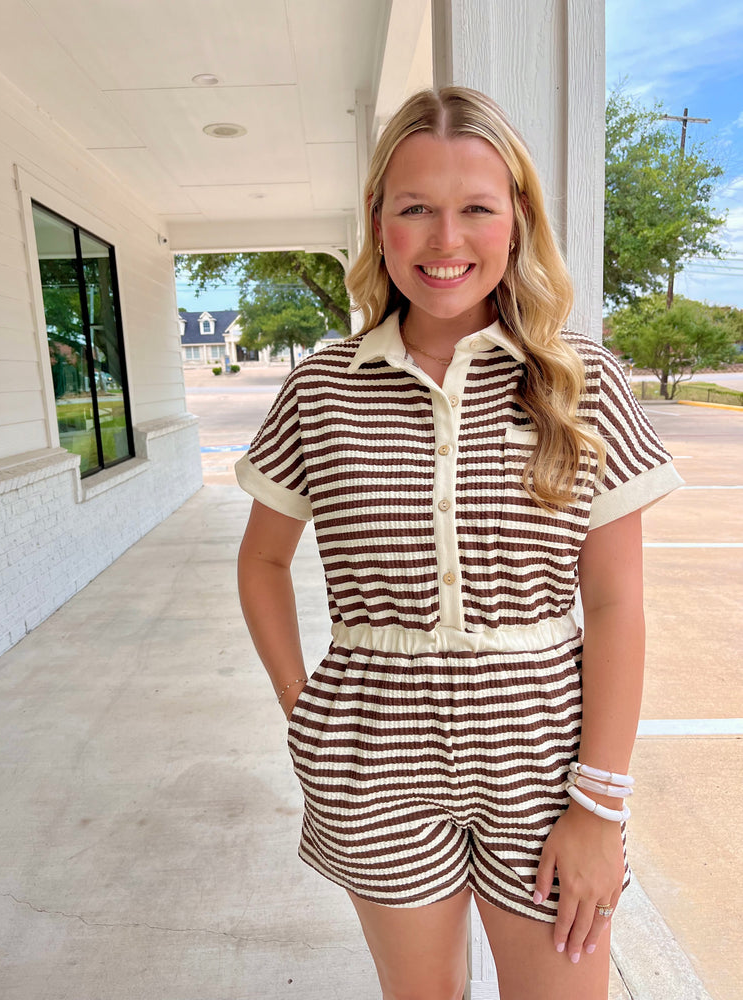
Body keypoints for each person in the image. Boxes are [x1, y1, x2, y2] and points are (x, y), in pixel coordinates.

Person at [236, 87, 682, 1000]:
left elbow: (615, 604)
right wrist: (305, 713)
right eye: (416, 209)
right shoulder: (322, 388)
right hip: (372, 755)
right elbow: (263, 561)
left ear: (517, 222)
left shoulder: (582, 380)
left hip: (546, 760)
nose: (447, 240)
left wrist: (599, 802)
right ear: (379, 224)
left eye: (476, 208)